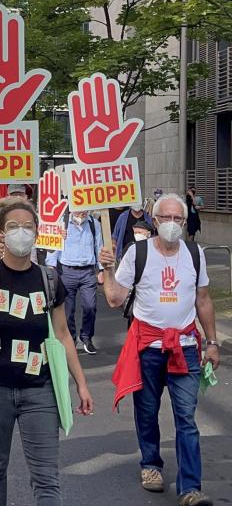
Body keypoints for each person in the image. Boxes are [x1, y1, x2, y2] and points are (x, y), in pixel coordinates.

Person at [0, 199, 93, 506]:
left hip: (39, 391)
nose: (22, 232)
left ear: (37, 232)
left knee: (46, 476)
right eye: (13, 227)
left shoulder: (49, 279)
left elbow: (62, 334)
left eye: (28, 227)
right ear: (1, 233)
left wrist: (81, 383)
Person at [100, 194, 220, 506]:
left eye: (177, 219)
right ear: (154, 221)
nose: (171, 224)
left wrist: (213, 342)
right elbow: (114, 299)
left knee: (186, 418)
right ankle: (151, 465)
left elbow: (203, 299)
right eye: (165, 218)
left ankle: (190, 487)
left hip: (186, 348)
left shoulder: (195, 253)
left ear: (184, 222)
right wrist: (108, 271)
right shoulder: (137, 253)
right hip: (148, 349)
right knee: (147, 412)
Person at [46, 211, 104, 354]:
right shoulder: (62, 222)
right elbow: (54, 245)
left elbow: (99, 246)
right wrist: (51, 266)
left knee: (90, 306)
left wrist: (102, 269)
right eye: (78, 208)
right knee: (67, 311)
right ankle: (71, 339)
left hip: (88, 272)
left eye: (84, 209)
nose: (81, 212)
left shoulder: (93, 224)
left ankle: (87, 337)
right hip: (67, 271)